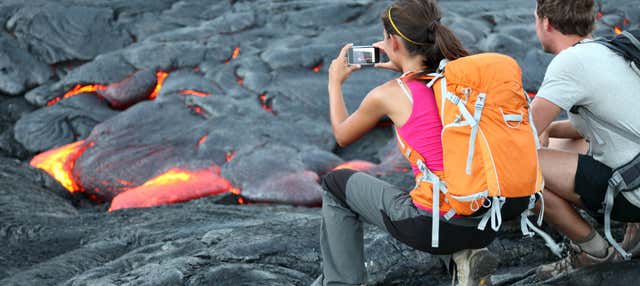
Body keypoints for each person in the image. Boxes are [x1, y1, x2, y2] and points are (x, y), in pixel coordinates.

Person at [313, 0, 540, 285]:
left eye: (386, 39)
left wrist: (335, 82)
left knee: (336, 183)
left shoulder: (389, 94)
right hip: (485, 221)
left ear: (393, 42)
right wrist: (400, 64)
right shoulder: (460, 83)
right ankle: (463, 259)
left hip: (436, 228)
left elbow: (342, 135)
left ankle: (341, 282)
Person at [529, 0, 640, 280]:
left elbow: (522, 133)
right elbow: (595, 125)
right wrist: (550, 131)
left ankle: (593, 251)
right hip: (636, 173)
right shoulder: (604, 50)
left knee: (515, 166)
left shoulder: (570, 63)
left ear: (546, 23)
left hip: (633, 191)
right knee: (555, 147)